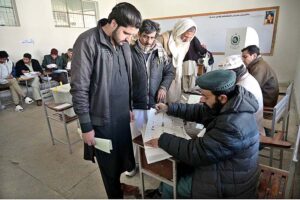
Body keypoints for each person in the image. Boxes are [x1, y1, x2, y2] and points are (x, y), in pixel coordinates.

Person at [145, 70, 260, 198]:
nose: (201, 99)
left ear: (222, 98)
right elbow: (200, 111)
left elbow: (197, 152)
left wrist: (162, 140)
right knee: (173, 169)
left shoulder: (232, 125)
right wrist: (169, 108)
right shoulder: (231, 103)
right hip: (227, 170)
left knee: (169, 183)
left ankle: (162, 193)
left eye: (206, 96)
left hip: (229, 185)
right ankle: (160, 192)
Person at [70, 2, 142, 198]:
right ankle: (114, 194)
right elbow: (79, 88)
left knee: (122, 158)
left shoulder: (124, 45)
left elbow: (126, 79)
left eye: (131, 36)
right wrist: (86, 126)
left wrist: (128, 106)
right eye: (126, 33)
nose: (128, 39)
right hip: (102, 118)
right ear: (113, 23)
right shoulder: (87, 42)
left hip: (120, 115)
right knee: (108, 164)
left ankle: (119, 187)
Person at [126, 19, 175, 176]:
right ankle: (134, 166)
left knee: (153, 136)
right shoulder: (129, 52)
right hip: (137, 105)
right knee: (135, 139)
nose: (149, 41)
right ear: (139, 34)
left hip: (154, 104)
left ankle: (152, 166)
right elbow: (122, 79)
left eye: (153, 37)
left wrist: (163, 87)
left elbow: (170, 72)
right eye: (146, 36)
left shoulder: (160, 52)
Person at [218, 54, 265, 136]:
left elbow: (229, 114)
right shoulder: (247, 78)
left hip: (247, 133)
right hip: (250, 125)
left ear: (233, 74)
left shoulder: (242, 88)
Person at [157, 18, 197, 102]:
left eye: (190, 37)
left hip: (176, 75)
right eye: (185, 36)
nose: (186, 40)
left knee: (173, 99)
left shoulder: (186, 43)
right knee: (161, 101)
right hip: (163, 76)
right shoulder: (163, 39)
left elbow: (180, 59)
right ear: (179, 30)